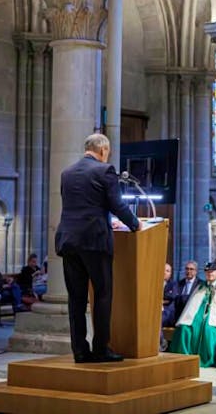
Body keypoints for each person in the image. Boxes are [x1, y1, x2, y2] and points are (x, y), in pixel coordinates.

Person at [55, 133, 141, 364]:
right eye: (108, 153)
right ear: (102, 150)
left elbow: (79, 206)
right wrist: (135, 224)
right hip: (94, 241)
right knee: (102, 294)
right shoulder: (105, 171)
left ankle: (80, 351)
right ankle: (101, 348)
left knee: (76, 298)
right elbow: (117, 204)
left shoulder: (67, 173)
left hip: (69, 241)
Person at [169, 262, 216, 367]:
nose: (209, 274)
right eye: (207, 272)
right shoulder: (200, 286)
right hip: (197, 316)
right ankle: (184, 357)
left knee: (208, 330)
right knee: (184, 328)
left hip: (214, 317)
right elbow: (192, 305)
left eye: (212, 271)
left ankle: (207, 359)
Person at [173, 261, 202, 325]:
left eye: (191, 269)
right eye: (187, 269)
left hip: (192, 316)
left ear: (196, 271)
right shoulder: (179, 283)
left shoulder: (200, 285)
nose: (189, 271)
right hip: (179, 315)